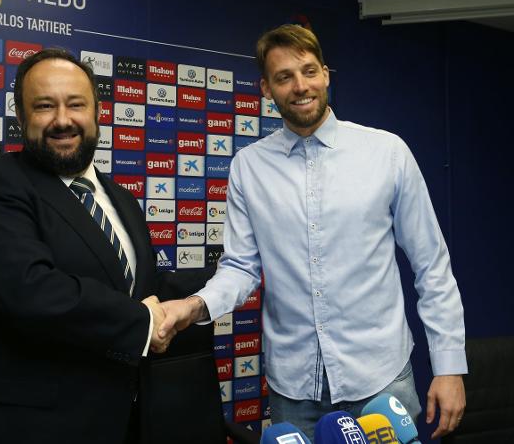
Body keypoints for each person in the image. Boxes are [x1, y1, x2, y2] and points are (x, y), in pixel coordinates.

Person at [159, 24, 467, 440]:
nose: (300, 86)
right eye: (284, 77)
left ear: (325, 74)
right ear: (266, 88)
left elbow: (431, 265)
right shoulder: (248, 168)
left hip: (381, 379)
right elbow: (240, 269)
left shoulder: (387, 153)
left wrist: (449, 367)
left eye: (308, 71)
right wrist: (193, 307)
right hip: (294, 388)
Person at [0, 48, 211, 444]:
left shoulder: (121, 199)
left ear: (97, 113)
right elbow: (28, 290)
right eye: (44, 106)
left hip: (113, 424)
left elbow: (140, 287)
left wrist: (223, 284)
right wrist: (141, 323)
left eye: (76, 104)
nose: (62, 120)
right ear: (21, 118)